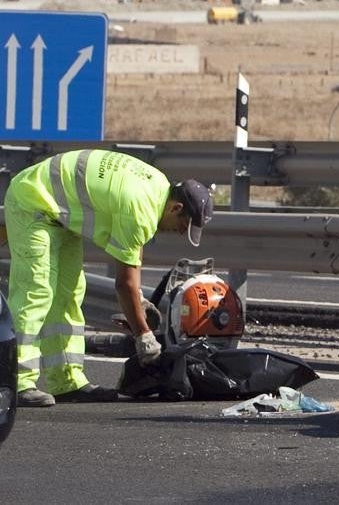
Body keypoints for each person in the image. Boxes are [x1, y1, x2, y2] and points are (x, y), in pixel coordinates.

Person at [4, 149, 213, 407]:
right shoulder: (139, 208)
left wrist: (137, 299)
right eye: (184, 225)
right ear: (177, 207)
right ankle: (16, 380)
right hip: (32, 201)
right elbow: (123, 283)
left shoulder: (158, 188)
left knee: (68, 294)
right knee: (36, 291)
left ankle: (66, 381)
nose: (182, 232)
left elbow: (133, 254)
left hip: (60, 213)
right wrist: (144, 337)